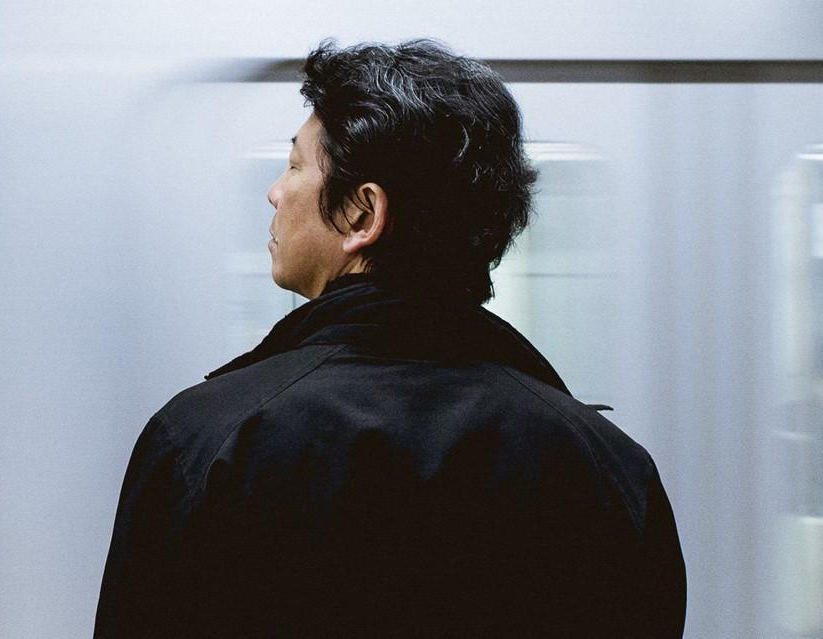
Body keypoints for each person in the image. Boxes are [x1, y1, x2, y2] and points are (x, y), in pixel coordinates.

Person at [95, 39, 686, 637]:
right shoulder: (608, 467)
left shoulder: (209, 442)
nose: (276, 191)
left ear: (361, 214)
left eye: (296, 165)